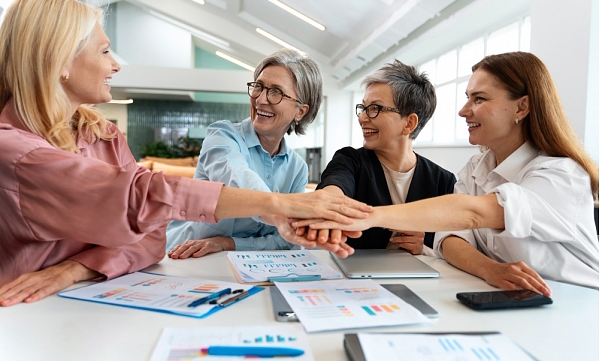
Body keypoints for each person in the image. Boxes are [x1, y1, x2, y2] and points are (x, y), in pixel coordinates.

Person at [0, 0, 370, 306]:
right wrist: (283, 205)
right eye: (104, 51)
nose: (115, 64)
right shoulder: (14, 150)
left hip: (100, 299)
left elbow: (150, 238)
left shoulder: (104, 136)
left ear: (300, 110)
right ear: (60, 61)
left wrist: (77, 268)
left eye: (276, 92)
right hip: (25, 311)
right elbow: (143, 197)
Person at [299, 52, 599, 293]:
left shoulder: (561, 174)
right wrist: (490, 269)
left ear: (521, 107)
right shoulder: (476, 169)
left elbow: (473, 213)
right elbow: (451, 238)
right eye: (467, 97)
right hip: (514, 298)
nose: (463, 110)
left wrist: (369, 216)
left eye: (478, 99)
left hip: (576, 302)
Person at [167, 49, 325, 258]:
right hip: (186, 257)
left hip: (251, 265)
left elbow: (286, 241)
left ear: (300, 111)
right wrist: (279, 209)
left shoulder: (297, 168)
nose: (260, 99)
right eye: (258, 87)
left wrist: (228, 243)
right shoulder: (222, 136)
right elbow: (236, 177)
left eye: (276, 91)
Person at [315, 60, 455, 255]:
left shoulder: (443, 182)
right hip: (358, 278)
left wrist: (424, 248)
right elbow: (334, 187)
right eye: (363, 108)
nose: (363, 118)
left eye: (375, 108)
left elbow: (453, 245)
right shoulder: (350, 160)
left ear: (409, 123)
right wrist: (328, 203)